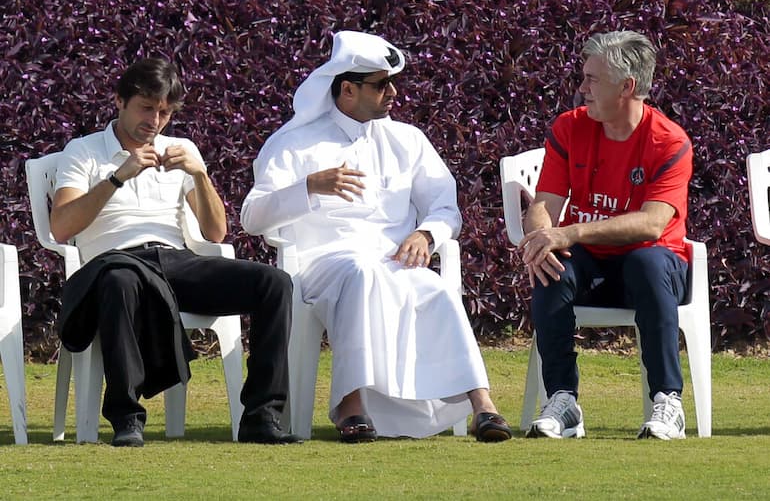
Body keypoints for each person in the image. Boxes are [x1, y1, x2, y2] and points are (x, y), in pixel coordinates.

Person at [240, 30, 512, 443]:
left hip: (394, 260)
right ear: (347, 89)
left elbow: (445, 206)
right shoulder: (294, 143)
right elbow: (251, 217)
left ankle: (483, 407)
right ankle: (351, 406)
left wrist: (426, 233)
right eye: (381, 84)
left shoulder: (407, 140)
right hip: (323, 264)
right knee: (360, 274)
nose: (393, 92)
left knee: (434, 287)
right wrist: (309, 186)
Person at [50, 57, 302, 447]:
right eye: (146, 108)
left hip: (175, 261)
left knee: (274, 282)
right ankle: (127, 419)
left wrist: (200, 174)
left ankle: (262, 416)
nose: (154, 121)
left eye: (164, 112)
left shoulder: (179, 149)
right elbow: (62, 226)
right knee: (120, 280)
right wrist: (118, 177)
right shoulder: (82, 152)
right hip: (114, 262)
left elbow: (216, 232)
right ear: (119, 101)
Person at [519, 30, 693, 440]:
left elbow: (652, 224)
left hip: (654, 265)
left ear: (627, 86)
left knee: (646, 262)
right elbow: (543, 203)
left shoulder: (670, 141)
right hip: (590, 263)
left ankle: (668, 401)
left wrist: (571, 231)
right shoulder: (569, 127)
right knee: (551, 266)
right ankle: (563, 401)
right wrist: (543, 238)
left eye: (592, 79)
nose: (582, 88)